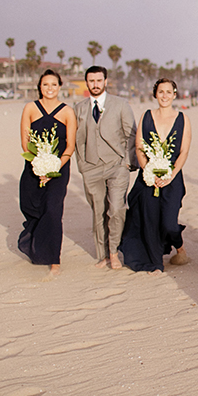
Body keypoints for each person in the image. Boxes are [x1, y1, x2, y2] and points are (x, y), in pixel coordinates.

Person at [118, 78, 191, 274]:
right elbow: (139, 147)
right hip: (148, 179)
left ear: (175, 95)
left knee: (168, 221)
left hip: (172, 180)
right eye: (161, 92)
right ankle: (154, 261)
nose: (165, 96)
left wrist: (170, 175)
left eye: (169, 92)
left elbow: (183, 152)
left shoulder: (182, 118)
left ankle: (180, 247)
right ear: (155, 94)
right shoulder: (147, 116)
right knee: (149, 218)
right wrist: (148, 171)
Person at [73, 66, 137, 269]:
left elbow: (132, 134)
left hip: (117, 165)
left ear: (105, 81)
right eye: (91, 81)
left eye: (99, 80)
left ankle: (114, 251)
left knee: (116, 209)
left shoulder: (120, 104)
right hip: (91, 167)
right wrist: (83, 166)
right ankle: (103, 255)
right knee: (98, 211)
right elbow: (77, 140)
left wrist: (127, 161)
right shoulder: (79, 108)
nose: (95, 84)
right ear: (87, 83)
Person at [18, 69, 77, 275]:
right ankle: (37, 247)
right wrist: (39, 165)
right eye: (45, 84)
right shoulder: (30, 108)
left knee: (53, 209)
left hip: (59, 168)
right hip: (34, 166)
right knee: (31, 207)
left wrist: (52, 168)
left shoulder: (68, 111)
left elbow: (70, 146)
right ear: (39, 87)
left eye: (53, 84)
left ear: (60, 87)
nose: (49, 88)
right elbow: (25, 142)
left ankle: (54, 260)